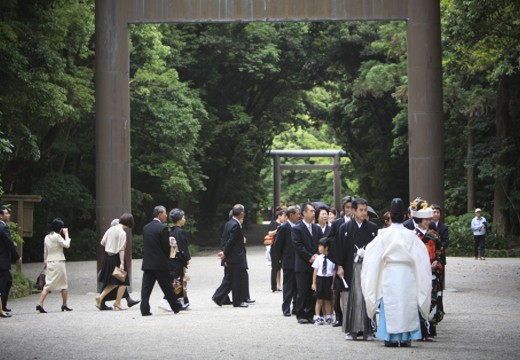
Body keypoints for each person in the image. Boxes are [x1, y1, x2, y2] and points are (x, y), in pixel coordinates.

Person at [361, 198, 432, 347]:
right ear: (406, 216)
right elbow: (422, 261)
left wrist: (374, 279)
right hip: (407, 273)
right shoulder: (411, 237)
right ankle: (405, 337)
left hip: (389, 272)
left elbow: (371, 259)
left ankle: (390, 337)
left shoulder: (383, 235)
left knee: (390, 304)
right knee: (407, 303)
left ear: (391, 216)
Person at [329, 198, 378, 340]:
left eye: (365, 210)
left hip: (368, 267)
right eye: (361, 210)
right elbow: (338, 248)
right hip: (351, 266)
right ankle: (352, 330)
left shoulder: (373, 228)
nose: (363, 213)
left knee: (367, 297)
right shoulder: (345, 228)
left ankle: (369, 330)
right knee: (352, 298)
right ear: (354, 210)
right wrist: (339, 266)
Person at [140, 206, 182, 316]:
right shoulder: (162, 228)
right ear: (159, 214)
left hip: (148, 262)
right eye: (165, 213)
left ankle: (144, 308)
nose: (166, 215)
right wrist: (170, 258)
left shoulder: (146, 227)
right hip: (159, 263)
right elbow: (166, 247)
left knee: (146, 288)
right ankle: (175, 306)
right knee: (167, 286)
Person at [411, 200, 443, 341]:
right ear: (418, 219)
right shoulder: (412, 235)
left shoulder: (434, 235)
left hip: (432, 271)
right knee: (417, 301)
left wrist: (437, 261)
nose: (428, 222)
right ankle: (418, 331)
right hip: (417, 273)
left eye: (429, 219)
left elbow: (440, 252)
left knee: (432, 300)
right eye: (425, 219)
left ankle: (429, 331)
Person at [99, 218, 141, 311]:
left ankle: (121, 300)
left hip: (107, 257)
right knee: (120, 280)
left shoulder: (109, 230)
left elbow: (102, 242)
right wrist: (122, 262)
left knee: (116, 280)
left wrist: (110, 246)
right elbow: (122, 249)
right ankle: (108, 300)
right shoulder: (122, 232)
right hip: (116, 257)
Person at [212, 204, 249, 307]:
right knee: (236, 279)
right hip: (235, 256)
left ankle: (218, 297)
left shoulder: (228, 223)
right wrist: (225, 253)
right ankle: (237, 301)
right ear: (241, 213)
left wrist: (224, 251)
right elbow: (231, 241)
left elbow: (224, 239)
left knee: (229, 279)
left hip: (230, 256)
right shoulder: (236, 225)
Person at [292, 202, 321, 324]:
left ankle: (310, 314)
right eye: (311, 211)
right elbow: (297, 245)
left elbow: (321, 243)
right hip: (303, 264)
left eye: (314, 211)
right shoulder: (297, 228)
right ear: (304, 213)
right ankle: (300, 314)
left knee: (312, 290)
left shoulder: (317, 228)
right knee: (302, 290)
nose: (314, 213)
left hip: (315, 264)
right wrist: (310, 257)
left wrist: (317, 255)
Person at [326, 196, 353, 327]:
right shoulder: (338, 223)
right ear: (343, 209)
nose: (349, 210)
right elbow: (329, 239)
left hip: (353, 259)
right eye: (347, 207)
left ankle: (351, 317)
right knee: (339, 289)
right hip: (339, 259)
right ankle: (340, 317)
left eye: (351, 207)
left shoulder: (359, 223)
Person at [36, 218, 72, 313]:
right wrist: (67, 234)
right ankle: (63, 304)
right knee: (63, 284)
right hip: (59, 262)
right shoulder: (58, 237)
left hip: (50, 261)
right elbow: (67, 245)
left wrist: (45, 262)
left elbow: (45, 251)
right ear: (60, 228)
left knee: (48, 284)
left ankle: (41, 303)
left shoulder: (47, 237)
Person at [159, 208, 191, 312]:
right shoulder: (180, 232)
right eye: (183, 217)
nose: (184, 219)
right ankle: (166, 299)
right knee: (177, 281)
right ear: (179, 219)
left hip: (172, 259)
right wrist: (187, 258)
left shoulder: (171, 230)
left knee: (179, 280)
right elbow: (182, 247)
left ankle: (182, 301)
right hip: (177, 260)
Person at [273, 205, 299, 317]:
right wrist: (278, 260)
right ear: (291, 215)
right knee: (288, 286)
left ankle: (296, 307)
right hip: (288, 260)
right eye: (297, 213)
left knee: (297, 286)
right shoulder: (284, 227)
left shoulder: (298, 226)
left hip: (298, 260)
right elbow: (277, 245)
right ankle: (286, 308)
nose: (299, 215)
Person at [0, 205, 22, 317]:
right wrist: (17, 257)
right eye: (6, 213)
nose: (8, 215)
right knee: (4, 283)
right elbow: (9, 244)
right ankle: (1, 308)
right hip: (2, 261)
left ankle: (3, 306)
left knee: (7, 281)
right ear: (1, 216)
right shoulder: (3, 227)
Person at [311, 237, 335, 325]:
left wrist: (333, 283)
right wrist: (314, 283)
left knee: (328, 299)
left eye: (320, 246)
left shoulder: (332, 258)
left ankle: (328, 316)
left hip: (328, 279)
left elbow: (334, 271)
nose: (318, 248)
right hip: (320, 279)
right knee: (319, 298)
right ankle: (317, 316)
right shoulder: (318, 258)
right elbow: (315, 271)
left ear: (326, 247)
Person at [268, 208, 286, 292]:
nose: (285, 218)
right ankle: (273, 286)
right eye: (284, 216)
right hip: (274, 247)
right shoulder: (273, 223)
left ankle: (279, 285)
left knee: (280, 267)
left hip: (282, 248)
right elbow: (270, 233)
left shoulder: (284, 225)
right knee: (275, 267)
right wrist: (278, 229)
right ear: (279, 216)